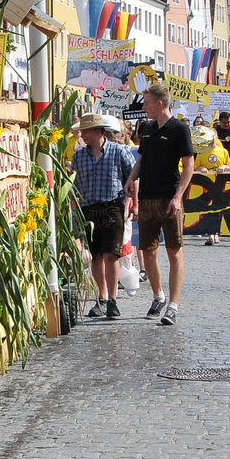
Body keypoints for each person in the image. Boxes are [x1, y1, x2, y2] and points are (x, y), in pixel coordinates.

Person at [126, 84, 195, 325]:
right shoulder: (147, 129)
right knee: (148, 250)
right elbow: (141, 159)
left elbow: (189, 166)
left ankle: (173, 306)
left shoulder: (180, 129)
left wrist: (178, 197)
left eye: (146, 103)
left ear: (159, 104)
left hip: (169, 198)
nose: (143, 107)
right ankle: (158, 296)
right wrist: (132, 177)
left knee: (174, 251)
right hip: (147, 198)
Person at [71, 111, 137, 320]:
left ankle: (112, 300)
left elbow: (132, 178)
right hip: (88, 209)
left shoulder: (119, 151)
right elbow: (75, 184)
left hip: (112, 207)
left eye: (85, 131)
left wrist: (135, 204)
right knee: (96, 256)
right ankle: (101, 297)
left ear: (98, 131)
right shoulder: (79, 155)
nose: (82, 134)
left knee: (111, 254)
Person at [192, 125, 230, 246]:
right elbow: (195, 167)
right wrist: (201, 168)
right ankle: (209, 234)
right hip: (206, 187)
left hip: (219, 185)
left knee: (218, 209)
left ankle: (216, 234)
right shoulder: (201, 152)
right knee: (207, 210)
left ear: (216, 137)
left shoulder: (223, 151)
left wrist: (224, 167)